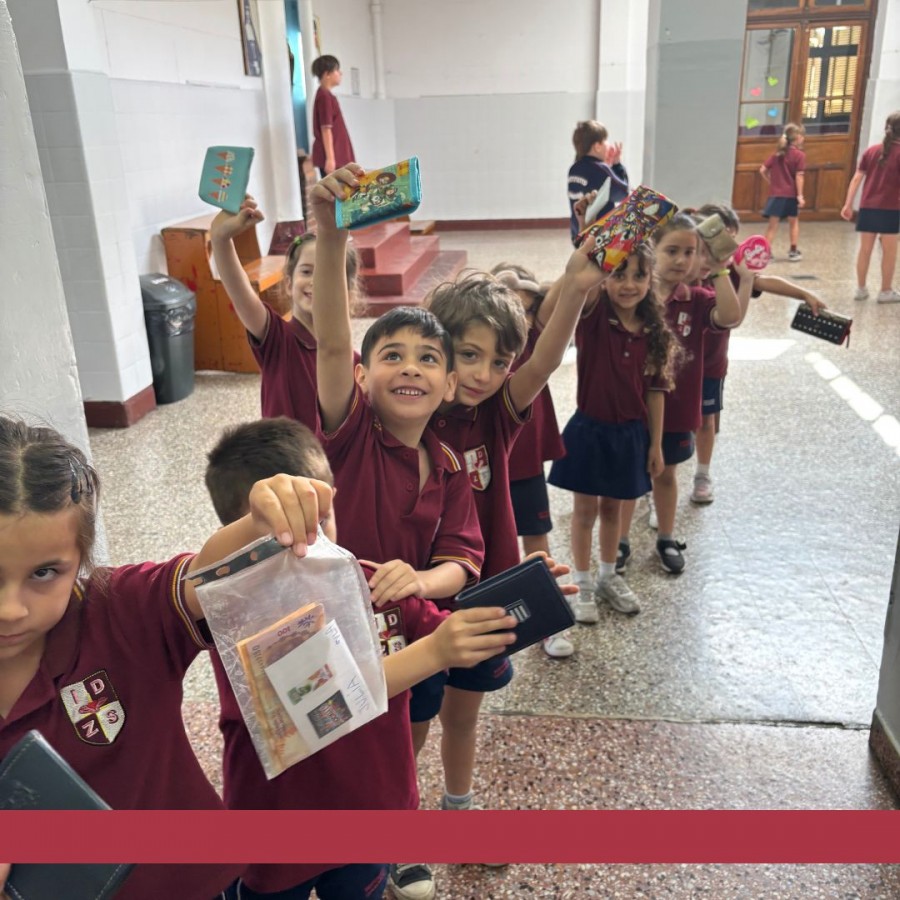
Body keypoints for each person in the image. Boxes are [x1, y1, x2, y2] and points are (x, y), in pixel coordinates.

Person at [0, 416, 337, 899]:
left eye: (44, 573)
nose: (11, 609)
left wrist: (260, 521)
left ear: (80, 561)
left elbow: (204, 576)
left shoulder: (119, 611)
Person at [203, 417, 519, 899]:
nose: (308, 545)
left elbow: (446, 628)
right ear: (238, 536)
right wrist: (435, 652)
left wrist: (520, 603)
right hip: (277, 828)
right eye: (283, 534)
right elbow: (323, 705)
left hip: (373, 809)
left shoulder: (369, 581)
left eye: (321, 520)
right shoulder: (236, 616)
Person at [386, 240, 606, 900]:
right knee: (411, 723)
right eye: (468, 354)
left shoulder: (497, 416)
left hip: (487, 592)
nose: (483, 373)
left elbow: (545, 360)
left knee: (465, 713)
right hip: (418, 599)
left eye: (497, 360)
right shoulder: (407, 414)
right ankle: (397, 836)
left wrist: (575, 285)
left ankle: (459, 814)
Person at [546, 242, 681, 621]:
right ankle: (583, 584)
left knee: (613, 510)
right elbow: (580, 281)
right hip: (590, 432)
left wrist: (656, 445)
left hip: (631, 436)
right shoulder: (594, 315)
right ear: (605, 278)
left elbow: (656, 392)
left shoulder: (654, 331)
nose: (628, 284)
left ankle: (608, 575)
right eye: (619, 275)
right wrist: (594, 240)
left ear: (650, 279)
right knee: (584, 511)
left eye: (639, 275)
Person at [617, 213, 749, 574]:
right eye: (671, 250)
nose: (681, 260)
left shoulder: (697, 299)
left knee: (666, 474)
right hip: (631, 407)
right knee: (630, 479)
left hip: (677, 409)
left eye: (689, 252)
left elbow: (731, 316)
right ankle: (620, 541)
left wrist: (720, 269)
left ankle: (666, 537)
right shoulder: (633, 297)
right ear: (652, 251)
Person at [690, 203, 828, 506]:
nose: (725, 250)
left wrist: (804, 293)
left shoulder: (732, 270)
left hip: (711, 363)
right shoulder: (685, 270)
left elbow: (761, 285)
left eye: (731, 240)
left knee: (706, 421)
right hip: (677, 366)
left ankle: (702, 474)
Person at [209, 197, 361, 426]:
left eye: (327, 275)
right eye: (307, 272)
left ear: (347, 292)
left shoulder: (355, 362)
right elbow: (240, 293)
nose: (316, 282)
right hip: (283, 450)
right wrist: (220, 240)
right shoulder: (277, 339)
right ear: (289, 283)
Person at [489, 263, 570, 657]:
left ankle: (548, 621)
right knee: (486, 546)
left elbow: (564, 295)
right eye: (510, 308)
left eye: (526, 308)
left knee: (537, 540)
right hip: (486, 468)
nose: (518, 317)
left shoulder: (535, 339)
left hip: (525, 465)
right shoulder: (485, 349)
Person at [841, 111, 900, 303]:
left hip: (867, 207)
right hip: (891, 208)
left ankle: (860, 289)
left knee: (864, 250)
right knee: (889, 252)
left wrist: (848, 204)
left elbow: (856, 179)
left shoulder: (871, 151)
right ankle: (885, 291)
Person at [567, 120, 629, 244]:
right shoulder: (599, 169)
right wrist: (617, 165)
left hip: (578, 233)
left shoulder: (574, 169)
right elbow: (623, 193)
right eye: (605, 140)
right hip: (598, 238)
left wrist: (608, 168)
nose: (608, 144)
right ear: (597, 146)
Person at [759, 123, 806, 261]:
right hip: (791, 195)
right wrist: (800, 195)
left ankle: (767, 252)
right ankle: (793, 251)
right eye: (802, 136)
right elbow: (799, 176)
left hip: (776, 194)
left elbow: (762, 170)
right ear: (797, 138)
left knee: (772, 225)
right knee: (794, 222)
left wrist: (771, 181)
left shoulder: (777, 155)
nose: (803, 138)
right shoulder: (799, 155)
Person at [311, 55, 355, 178]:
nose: (340, 73)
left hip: (338, 157)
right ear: (327, 74)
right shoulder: (324, 97)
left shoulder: (326, 95)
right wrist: (330, 159)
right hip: (333, 159)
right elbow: (326, 129)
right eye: (336, 70)